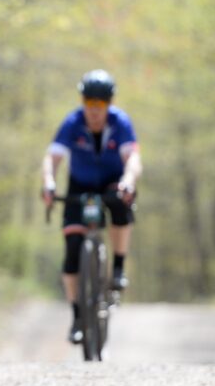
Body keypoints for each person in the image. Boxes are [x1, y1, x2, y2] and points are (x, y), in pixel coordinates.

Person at [41, 69, 142, 344]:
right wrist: (49, 183)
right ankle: (76, 316)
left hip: (113, 182)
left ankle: (118, 268)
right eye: (89, 103)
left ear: (108, 104)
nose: (94, 110)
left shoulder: (120, 122)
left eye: (100, 104)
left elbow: (132, 158)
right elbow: (53, 158)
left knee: (122, 203)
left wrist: (128, 181)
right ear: (83, 101)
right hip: (80, 185)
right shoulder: (72, 122)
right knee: (72, 252)